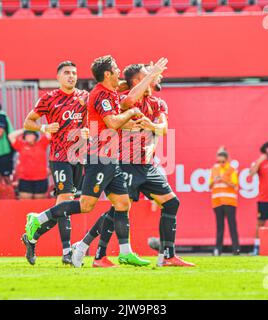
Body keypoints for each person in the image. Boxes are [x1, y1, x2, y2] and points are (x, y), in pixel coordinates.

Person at [23, 55, 167, 268]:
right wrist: (132, 113)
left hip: (111, 158)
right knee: (85, 205)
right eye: (116, 68)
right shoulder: (101, 95)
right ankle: (40, 220)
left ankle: (125, 252)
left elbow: (115, 114)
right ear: (107, 74)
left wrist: (149, 79)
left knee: (122, 203)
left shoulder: (108, 92)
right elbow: (112, 121)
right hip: (99, 157)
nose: (119, 71)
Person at [75, 63, 194, 268]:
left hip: (147, 166)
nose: (156, 78)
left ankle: (167, 256)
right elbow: (128, 101)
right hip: (126, 162)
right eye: (149, 75)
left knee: (171, 203)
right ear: (139, 81)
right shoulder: (123, 101)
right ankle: (93, 251)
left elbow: (163, 129)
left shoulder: (158, 103)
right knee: (116, 210)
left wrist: (152, 128)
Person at [20, 61, 88, 266]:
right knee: (66, 198)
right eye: (67, 73)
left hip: (79, 157)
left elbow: (94, 120)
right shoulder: (49, 98)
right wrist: (44, 128)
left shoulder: (85, 97)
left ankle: (32, 236)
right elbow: (28, 122)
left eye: (74, 73)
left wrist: (88, 131)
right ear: (58, 77)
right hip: (59, 156)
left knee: (64, 206)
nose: (71, 76)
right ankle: (67, 252)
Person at [209, 147, 240, 256]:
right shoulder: (214, 169)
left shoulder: (231, 169)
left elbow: (235, 185)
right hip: (217, 202)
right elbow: (209, 185)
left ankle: (236, 250)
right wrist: (215, 181)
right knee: (219, 227)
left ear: (227, 160)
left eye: (223, 161)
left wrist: (224, 179)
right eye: (219, 161)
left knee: (232, 226)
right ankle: (218, 250)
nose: (221, 163)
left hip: (230, 202)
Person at [9, 129, 50, 199]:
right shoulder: (21, 145)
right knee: (26, 204)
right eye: (27, 135)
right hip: (25, 180)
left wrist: (37, 128)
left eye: (31, 134)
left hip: (40, 179)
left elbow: (49, 134)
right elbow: (11, 136)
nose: (28, 136)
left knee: (39, 205)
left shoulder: (42, 144)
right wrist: (24, 129)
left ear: (35, 136)